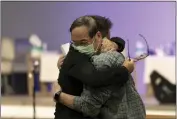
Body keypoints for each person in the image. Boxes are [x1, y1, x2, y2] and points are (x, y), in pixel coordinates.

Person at [54, 15, 135, 119]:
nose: (79, 47)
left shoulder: (101, 58)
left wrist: (116, 43)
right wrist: (125, 70)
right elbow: (95, 80)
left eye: (83, 42)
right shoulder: (79, 58)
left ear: (99, 36)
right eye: (75, 43)